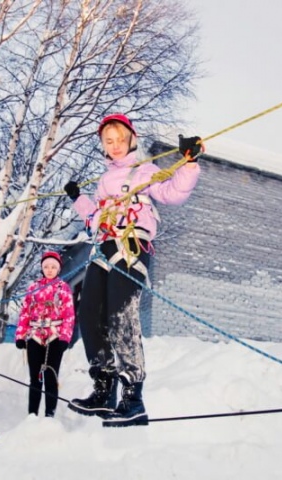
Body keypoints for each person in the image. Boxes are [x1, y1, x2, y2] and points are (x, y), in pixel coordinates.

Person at [63, 114, 202, 427]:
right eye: (108, 142)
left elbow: (172, 193)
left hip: (133, 244)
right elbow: (95, 216)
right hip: (105, 246)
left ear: (131, 140)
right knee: (88, 313)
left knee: (120, 315)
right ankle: (103, 387)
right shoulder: (103, 181)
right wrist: (78, 199)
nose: (114, 147)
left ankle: (132, 397)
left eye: (119, 140)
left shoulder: (145, 170)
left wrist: (189, 162)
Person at [14, 251, 75, 418]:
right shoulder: (33, 288)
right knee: (35, 378)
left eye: (53, 267)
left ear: (59, 269)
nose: (49, 270)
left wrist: (65, 338)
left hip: (55, 336)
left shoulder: (64, 288)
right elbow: (25, 313)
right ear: (42, 268)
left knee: (50, 375)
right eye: (46, 266)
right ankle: (32, 414)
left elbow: (69, 315)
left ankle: (50, 414)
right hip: (34, 335)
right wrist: (20, 335)